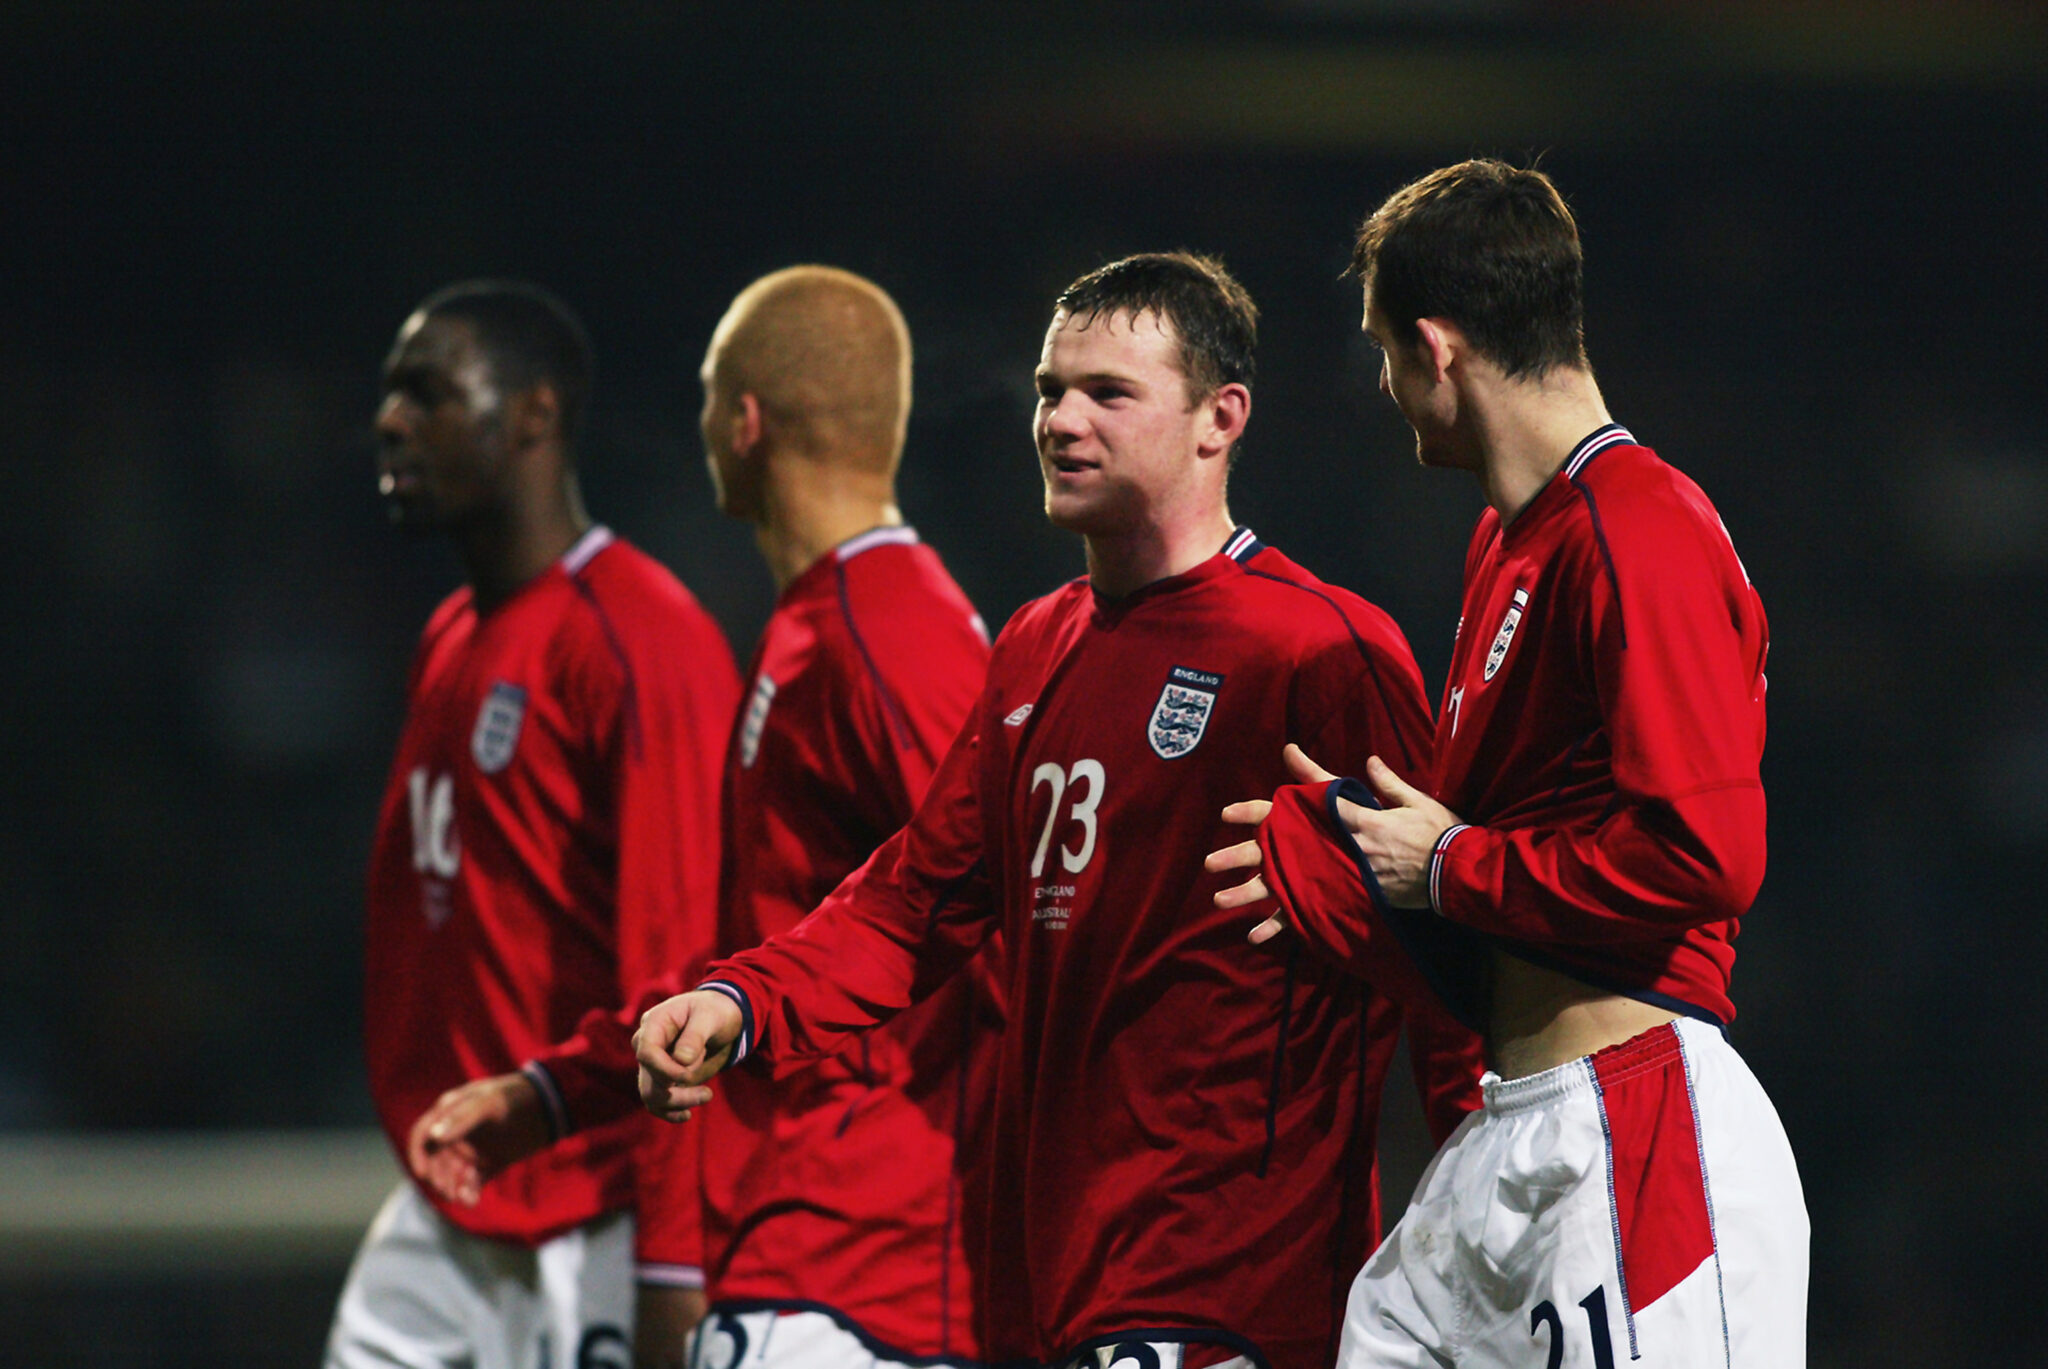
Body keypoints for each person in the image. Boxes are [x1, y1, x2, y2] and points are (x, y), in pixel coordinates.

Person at [634, 252, 1484, 1369]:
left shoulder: (1316, 648)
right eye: (1047, 390)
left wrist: (1477, 1221)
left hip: (1224, 1284)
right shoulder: (1033, 644)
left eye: (1106, 393)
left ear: (1218, 418)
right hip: (1039, 1280)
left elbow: (1440, 961)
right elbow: (915, 899)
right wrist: (742, 1001)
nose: (1060, 421)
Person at [1207, 160, 1809, 1366]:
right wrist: (1346, 853)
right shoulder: (1508, 540)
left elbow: (1705, 856)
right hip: (1506, 1131)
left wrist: (1444, 864)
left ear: (1434, 349)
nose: (1380, 386)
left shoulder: (1638, 526)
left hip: (1638, 1125)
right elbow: (1493, 850)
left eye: (1380, 352)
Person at [404, 266, 998, 1369]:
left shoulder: (892, 641)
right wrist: (555, 1090)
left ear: (743, 421)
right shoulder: (819, 626)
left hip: (867, 1278)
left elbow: (1005, 938)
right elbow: (743, 949)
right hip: (807, 1255)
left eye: (704, 402)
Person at [328, 281, 740, 1369]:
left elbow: (681, 972)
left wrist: (671, 1268)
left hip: (595, 1211)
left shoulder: (638, 635)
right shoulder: (452, 636)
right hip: (455, 1203)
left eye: (426, 392)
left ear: (533, 413)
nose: (390, 421)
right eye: (387, 394)